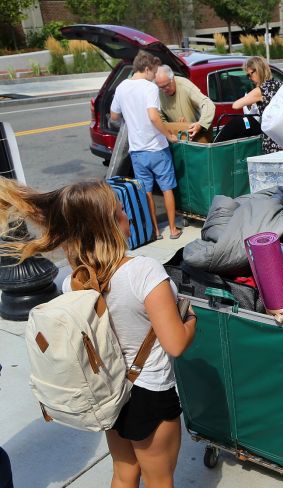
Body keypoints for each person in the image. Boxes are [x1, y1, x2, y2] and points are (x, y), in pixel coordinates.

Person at [0, 179, 197, 488]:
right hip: (150, 392)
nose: (128, 217)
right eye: (121, 211)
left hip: (109, 391)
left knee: (123, 474)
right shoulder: (143, 272)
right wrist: (192, 318)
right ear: (106, 225)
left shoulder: (73, 282)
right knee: (159, 480)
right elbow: (175, 344)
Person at [110, 50, 181, 240]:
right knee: (167, 188)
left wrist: (130, 116)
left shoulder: (122, 87)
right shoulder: (150, 88)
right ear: (147, 69)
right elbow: (153, 117)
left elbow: (114, 115)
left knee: (147, 191)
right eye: (154, 72)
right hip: (157, 148)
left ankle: (155, 231)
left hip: (137, 151)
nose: (155, 76)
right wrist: (169, 135)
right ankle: (173, 230)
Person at [232, 56, 283, 154]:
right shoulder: (280, 85)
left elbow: (235, 105)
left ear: (259, 70)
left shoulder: (260, 90)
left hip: (271, 139)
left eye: (250, 74)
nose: (249, 78)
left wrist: (250, 100)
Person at [155, 65, 216, 139]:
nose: (165, 90)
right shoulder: (157, 92)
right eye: (161, 87)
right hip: (176, 137)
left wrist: (200, 124)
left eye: (167, 85)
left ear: (172, 78)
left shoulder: (185, 85)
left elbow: (208, 104)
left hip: (198, 136)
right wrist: (175, 126)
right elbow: (160, 118)